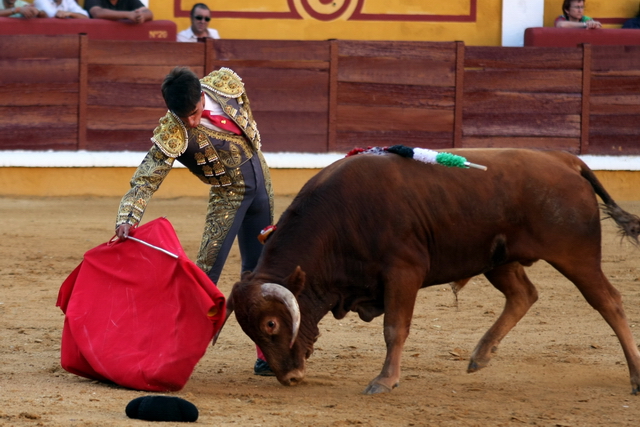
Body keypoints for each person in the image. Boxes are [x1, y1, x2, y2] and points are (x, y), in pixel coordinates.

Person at [114, 67, 275, 376]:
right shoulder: (172, 131)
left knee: (261, 274)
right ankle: (169, 354)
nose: (190, 122)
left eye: (194, 113)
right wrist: (128, 217)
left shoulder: (226, 85)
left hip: (262, 189)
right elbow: (145, 180)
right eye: (183, 117)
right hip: (229, 197)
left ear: (203, 96)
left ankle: (266, 354)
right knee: (204, 278)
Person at [84, 0, 152, 23]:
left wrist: (141, 16)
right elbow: (97, 13)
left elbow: (148, 12)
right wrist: (128, 15)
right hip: (97, 40)